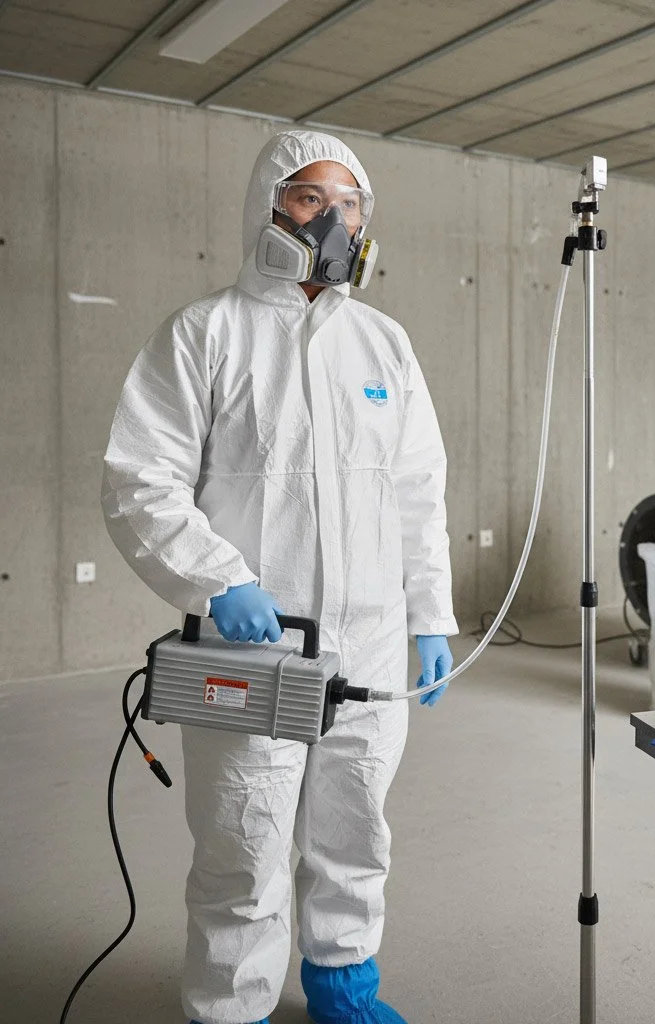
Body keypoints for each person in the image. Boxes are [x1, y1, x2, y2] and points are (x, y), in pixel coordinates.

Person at [102, 129, 457, 1024]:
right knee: (243, 840)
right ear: (269, 208)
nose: (334, 219)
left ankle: (344, 984)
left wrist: (429, 615)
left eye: (350, 203)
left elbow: (418, 492)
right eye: (310, 198)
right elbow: (140, 479)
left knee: (355, 826)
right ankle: (230, 1008)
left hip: (370, 638)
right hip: (254, 645)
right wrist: (218, 580)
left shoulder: (382, 343)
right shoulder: (206, 333)